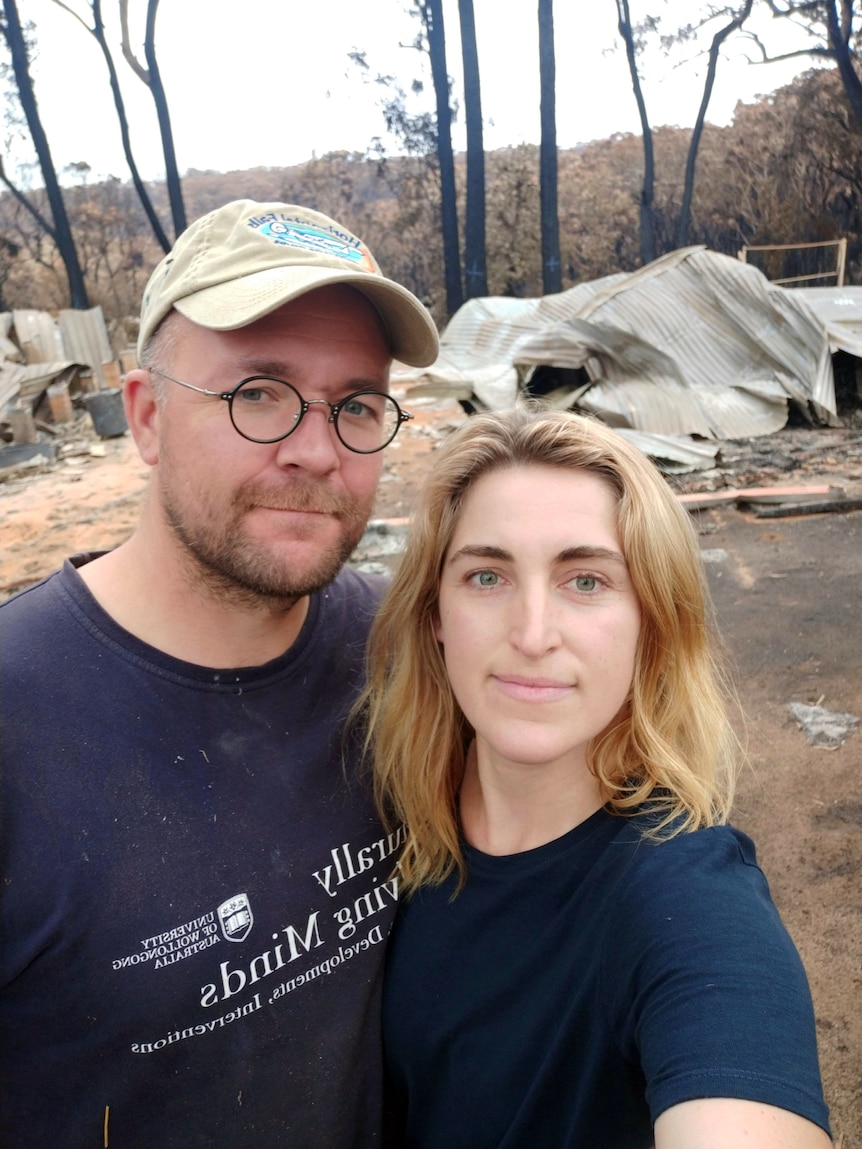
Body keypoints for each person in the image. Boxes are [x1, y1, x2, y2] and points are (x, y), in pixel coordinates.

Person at [0, 200, 439, 1148]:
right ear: (147, 417)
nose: (317, 452)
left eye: (357, 404)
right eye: (259, 393)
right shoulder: (15, 719)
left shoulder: (398, 649)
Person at [361, 407, 832, 1149]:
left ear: (652, 619)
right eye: (487, 575)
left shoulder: (686, 896)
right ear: (436, 615)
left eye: (586, 580)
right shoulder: (397, 820)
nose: (533, 632)